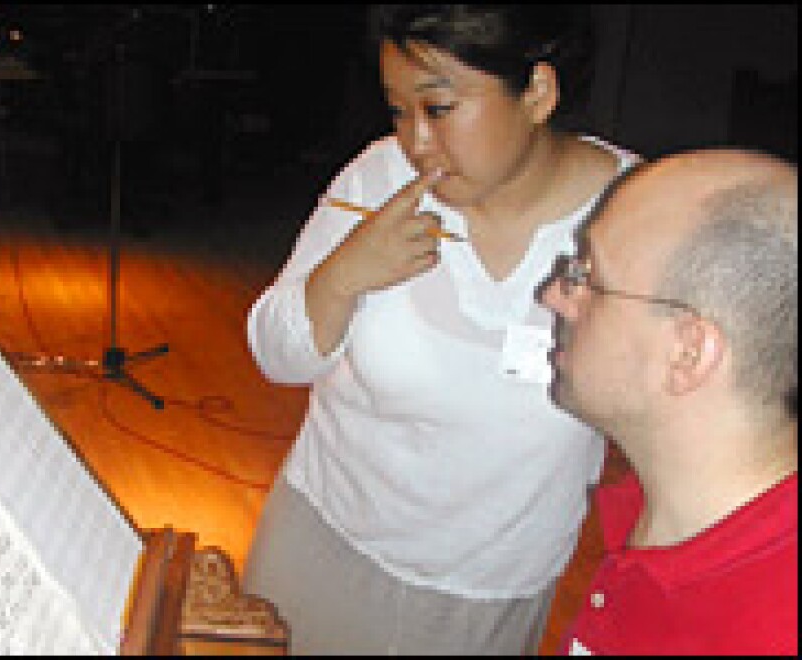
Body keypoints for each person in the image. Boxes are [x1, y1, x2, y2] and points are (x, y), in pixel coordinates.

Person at [244, 5, 638, 654]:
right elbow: (275, 354)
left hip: (494, 588)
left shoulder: (637, 211)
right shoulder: (379, 178)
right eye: (399, 111)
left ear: (538, 92)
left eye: (439, 109)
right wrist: (340, 277)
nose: (415, 142)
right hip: (327, 542)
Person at [539, 149, 798, 655]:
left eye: (588, 278)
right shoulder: (646, 505)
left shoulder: (768, 631)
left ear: (688, 353)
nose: (555, 295)